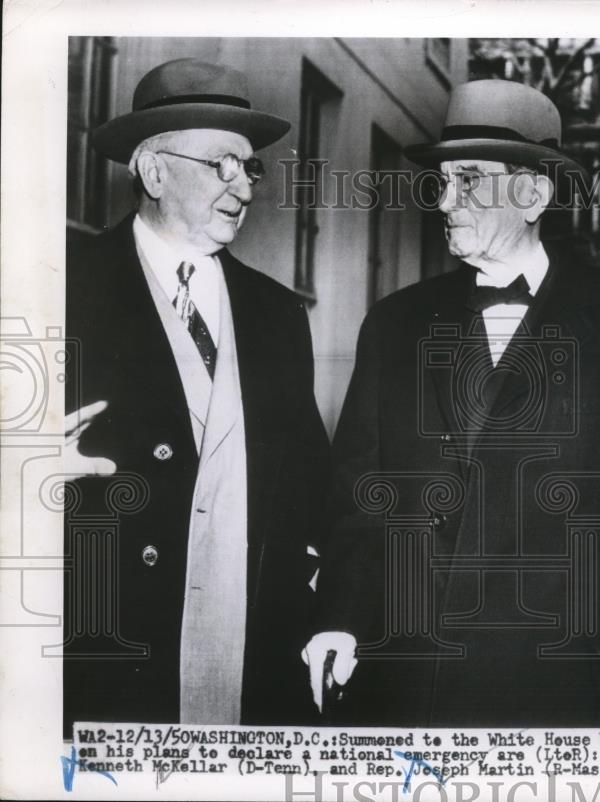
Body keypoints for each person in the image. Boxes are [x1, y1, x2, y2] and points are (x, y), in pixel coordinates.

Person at [306, 79, 600, 726]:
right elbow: (359, 497)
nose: (445, 200)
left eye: (470, 180)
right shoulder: (395, 323)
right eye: (443, 181)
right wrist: (339, 620)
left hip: (558, 683)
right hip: (404, 679)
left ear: (534, 193)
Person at [62, 58, 328, 733]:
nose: (244, 186)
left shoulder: (277, 313)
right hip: (109, 663)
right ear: (154, 172)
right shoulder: (60, 288)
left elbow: (311, 486)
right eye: (222, 165)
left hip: (249, 665)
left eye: (250, 167)